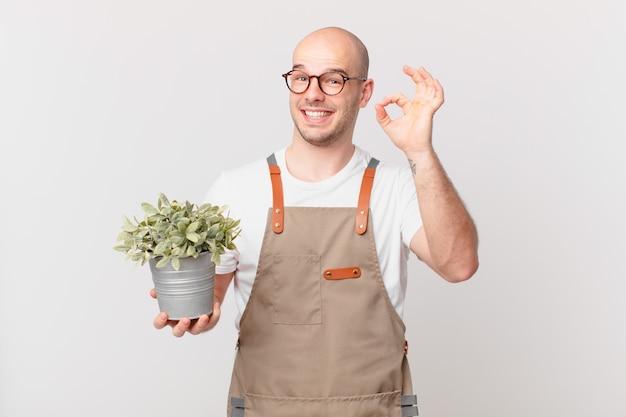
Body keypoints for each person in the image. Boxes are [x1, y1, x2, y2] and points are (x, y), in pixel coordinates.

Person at [151, 26, 479, 416]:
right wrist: (200, 312)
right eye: (301, 77)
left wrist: (420, 153)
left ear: (365, 91)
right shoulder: (236, 189)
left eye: (333, 80)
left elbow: (459, 265)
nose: (313, 93)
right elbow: (213, 297)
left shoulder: (397, 187)